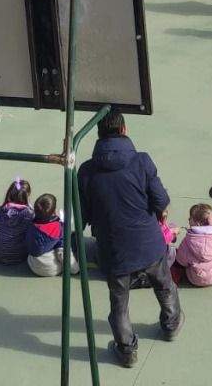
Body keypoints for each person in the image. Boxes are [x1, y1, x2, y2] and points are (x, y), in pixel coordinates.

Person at [77, 111, 180, 366]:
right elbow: (161, 201)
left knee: (119, 304)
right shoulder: (141, 162)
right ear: (124, 130)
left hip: (114, 252)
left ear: (99, 134)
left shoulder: (86, 171)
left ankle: (126, 350)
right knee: (164, 284)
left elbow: (82, 216)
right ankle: (170, 324)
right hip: (148, 245)